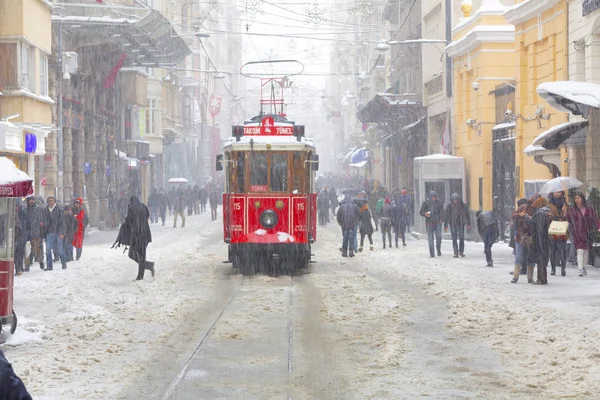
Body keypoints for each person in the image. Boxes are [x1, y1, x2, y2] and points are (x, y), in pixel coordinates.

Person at [112, 196, 155, 280]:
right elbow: (147, 217)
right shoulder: (144, 207)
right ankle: (144, 271)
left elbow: (129, 221)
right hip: (145, 235)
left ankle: (146, 268)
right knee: (142, 255)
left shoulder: (131, 208)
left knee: (132, 254)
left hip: (137, 236)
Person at [567, 191, 600, 277]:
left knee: (586, 251)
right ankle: (580, 269)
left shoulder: (589, 209)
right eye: (575, 198)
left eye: (578, 198)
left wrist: (598, 226)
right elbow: (568, 219)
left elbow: (595, 218)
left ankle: (583, 267)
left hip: (587, 233)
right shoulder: (573, 210)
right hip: (577, 233)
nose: (576, 200)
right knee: (580, 250)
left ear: (582, 198)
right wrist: (564, 213)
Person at [43, 196, 67, 271]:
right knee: (48, 250)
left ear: (55, 202)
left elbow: (62, 222)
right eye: (49, 201)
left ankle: (63, 263)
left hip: (58, 232)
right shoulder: (46, 210)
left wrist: (62, 232)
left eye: (52, 201)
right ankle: (49, 266)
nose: (50, 202)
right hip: (49, 232)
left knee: (60, 249)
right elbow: (44, 220)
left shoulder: (59, 210)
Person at [512, 204, 534, 283]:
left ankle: (530, 277)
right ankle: (515, 276)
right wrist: (519, 215)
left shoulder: (535, 209)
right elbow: (513, 215)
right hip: (520, 236)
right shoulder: (523, 207)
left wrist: (532, 219)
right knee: (519, 256)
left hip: (530, 236)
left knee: (530, 257)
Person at [548, 191, 568, 276]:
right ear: (552, 193)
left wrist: (564, 214)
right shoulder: (549, 204)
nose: (557, 194)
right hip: (553, 229)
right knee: (553, 250)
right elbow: (547, 217)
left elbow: (569, 216)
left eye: (559, 192)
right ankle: (553, 268)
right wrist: (552, 216)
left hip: (562, 230)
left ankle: (563, 269)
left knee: (563, 250)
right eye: (555, 192)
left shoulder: (565, 203)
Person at [531, 198, 552, 285]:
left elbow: (539, 229)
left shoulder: (540, 213)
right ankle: (544, 279)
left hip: (540, 239)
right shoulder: (547, 213)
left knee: (540, 260)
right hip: (545, 239)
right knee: (543, 259)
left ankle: (540, 279)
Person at [444, 193, 470, 258]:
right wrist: (445, 225)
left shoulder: (463, 205)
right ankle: (455, 252)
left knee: (461, 237)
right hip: (453, 223)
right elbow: (447, 215)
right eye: (454, 200)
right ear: (452, 200)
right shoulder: (449, 206)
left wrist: (469, 223)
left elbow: (467, 214)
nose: (455, 201)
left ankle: (461, 251)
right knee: (454, 238)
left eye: (456, 200)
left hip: (461, 223)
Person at [420, 191, 444, 258]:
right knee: (430, 239)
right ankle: (432, 253)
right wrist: (425, 214)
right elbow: (421, 212)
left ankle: (438, 249)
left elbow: (442, 212)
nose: (433, 198)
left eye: (434, 197)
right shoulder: (426, 203)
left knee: (439, 237)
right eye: (432, 197)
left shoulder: (439, 203)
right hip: (429, 223)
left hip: (437, 223)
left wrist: (441, 220)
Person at [24, 195, 44, 271]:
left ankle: (40, 261)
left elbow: (42, 219)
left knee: (37, 249)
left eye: (32, 200)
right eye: (30, 200)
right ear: (28, 201)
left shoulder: (39, 209)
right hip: (28, 233)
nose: (31, 201)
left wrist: (41, 227)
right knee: (27, 250)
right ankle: (27, 265)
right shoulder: (25, 209)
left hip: (36, 232)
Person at [14, 203, 29, 276]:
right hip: (14, 236)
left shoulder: (23, 213)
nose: (15, 208)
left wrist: (26, 235)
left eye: (16, 206)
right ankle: (18, 268)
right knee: (15, 254)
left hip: (21, 236)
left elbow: (27, 225)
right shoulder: (11, 214)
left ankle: (19, 268)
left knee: (19, 253)